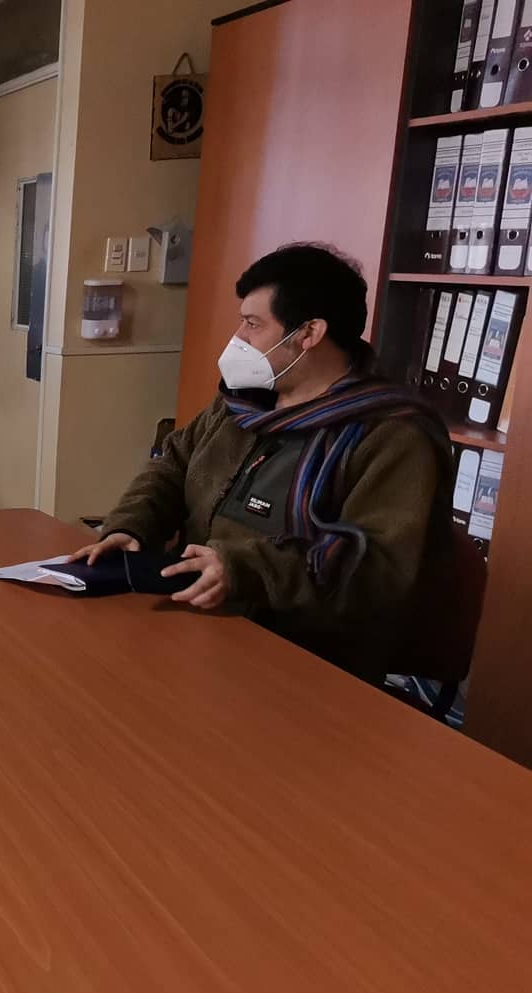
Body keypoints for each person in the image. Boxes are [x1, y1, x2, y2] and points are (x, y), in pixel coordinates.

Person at [74, 244, 453, 681]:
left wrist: (243, 569)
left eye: (253, 325)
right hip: (196, 627)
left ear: (308, 333)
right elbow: (173, 464)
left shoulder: (392, 435)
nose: (238, 339)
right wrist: (129, 528)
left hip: (305, 662)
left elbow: (380, 567)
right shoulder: (244, 402)